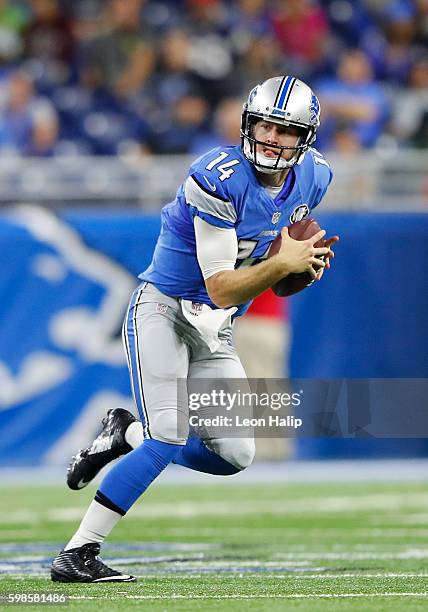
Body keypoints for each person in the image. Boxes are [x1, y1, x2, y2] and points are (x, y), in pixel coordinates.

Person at [50, 75, 338, 583]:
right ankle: (77, 554)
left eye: (286, 130)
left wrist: (301, 271)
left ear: (306, 138)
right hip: (164, 308)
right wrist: (283, 262)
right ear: (247, 124)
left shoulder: (314, 177)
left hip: (216, 328)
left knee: (235, 454)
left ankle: (125, 434)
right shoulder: (216, 175)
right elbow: (224, 285)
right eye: (265, 125)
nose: (272, 138)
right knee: (168, 436)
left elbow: (268, 281)